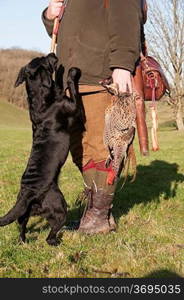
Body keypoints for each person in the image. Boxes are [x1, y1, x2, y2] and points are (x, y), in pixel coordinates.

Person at [42, 0, 143, 234]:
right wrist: (50, 15)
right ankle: (94, 209)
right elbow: (66, 26)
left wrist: (122, 64)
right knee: (80, 148)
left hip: (101, 75)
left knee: (102, 148)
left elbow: (128, 14)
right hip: (69, 78)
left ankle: (99, 215)